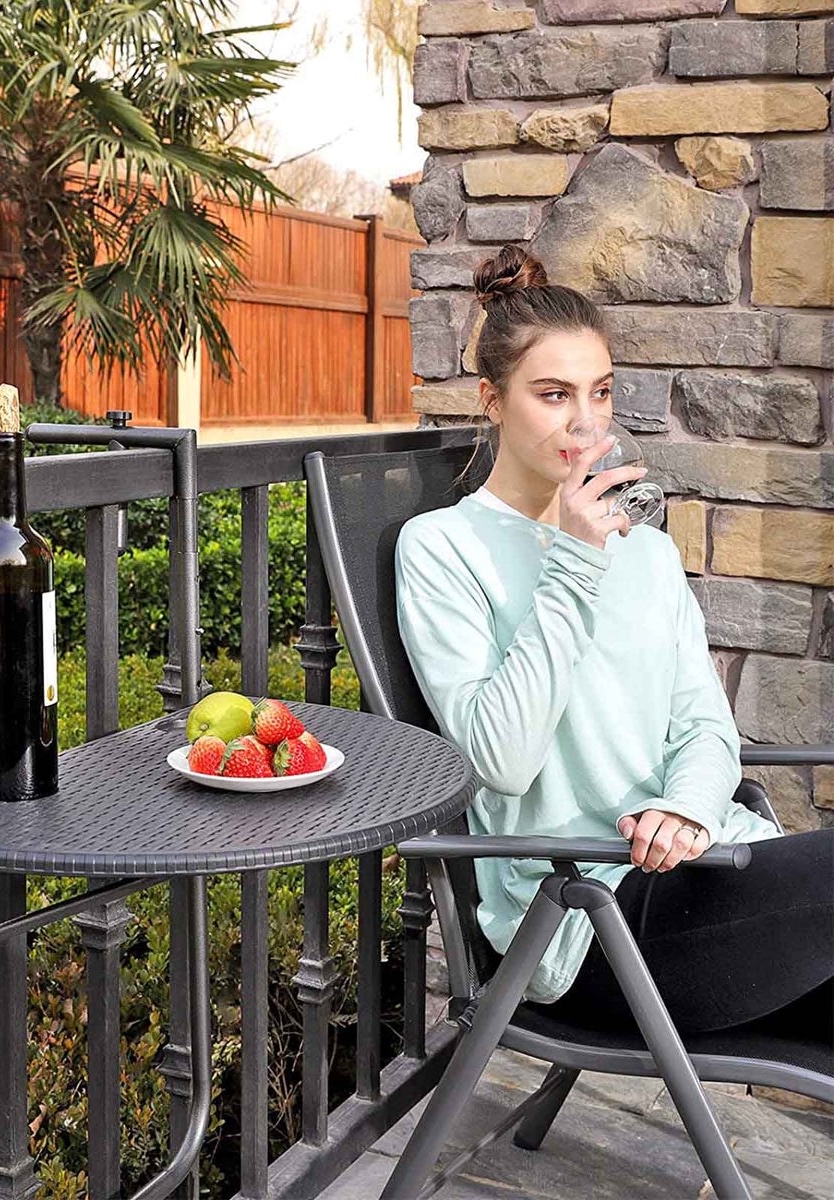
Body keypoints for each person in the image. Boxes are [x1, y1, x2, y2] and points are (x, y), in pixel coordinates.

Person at [394, 244, 833, 1051]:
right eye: (553, 395)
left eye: (599, 391)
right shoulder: (442, 548)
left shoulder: (647, 550)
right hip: (581, 916)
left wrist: (687, 809)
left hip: (709, 872)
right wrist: (574, 559)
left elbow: (705, 725)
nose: (586, 422)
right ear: (493, 401)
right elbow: (501, 761)